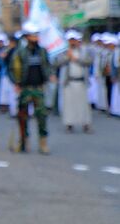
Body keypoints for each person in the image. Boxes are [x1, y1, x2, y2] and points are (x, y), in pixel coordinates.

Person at [9, 21, 53, 154]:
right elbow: (12, 69)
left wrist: (49, 76)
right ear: (27, 37)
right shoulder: (20, 53)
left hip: (39, 88)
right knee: (22, 117)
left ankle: (43, 142)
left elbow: (48, 66)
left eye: (37, 35)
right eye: (33, 35)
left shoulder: (43, 52)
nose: (36, 38)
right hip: (25, 88)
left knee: (41, 117)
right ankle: (23, 142)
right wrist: (16, 83)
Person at [55, 30, 93, 133]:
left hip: (81, 81)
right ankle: (69, 124)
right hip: (69, 81)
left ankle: (86, 124)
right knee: (68, 104)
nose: (72, 42)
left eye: (74, 40)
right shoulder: (63, 51)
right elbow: (57, 63)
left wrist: (76, 59)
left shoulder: (84, 51)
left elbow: (88, 62)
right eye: (70, 40)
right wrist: (68, 57)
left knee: (84, 104)